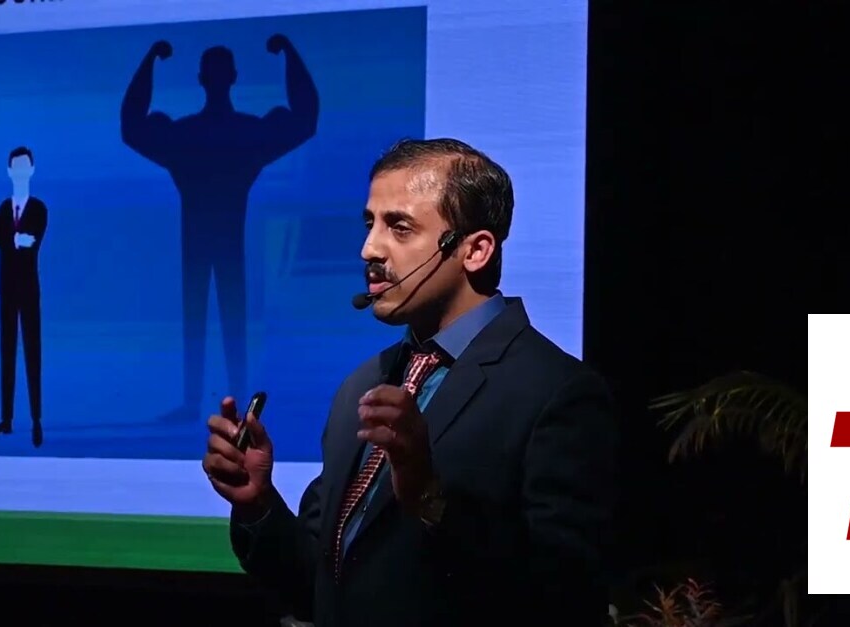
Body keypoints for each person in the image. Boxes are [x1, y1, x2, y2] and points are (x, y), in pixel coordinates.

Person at [202, 138, 619, 626]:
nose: (369, 249)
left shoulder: (557, 393)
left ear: (475, 250)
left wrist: (428, 497)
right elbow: (321, 585)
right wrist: (258, 504)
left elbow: (566, 596)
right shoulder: (362, 385)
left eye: (399, 227)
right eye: (370, 224)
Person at [121, 34, 319, 423]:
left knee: (212, 317)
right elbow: (304, 119)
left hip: (214, 240)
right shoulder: (242, 134)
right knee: (220, 317)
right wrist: (288, 53)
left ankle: (208, 401)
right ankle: (213, 400)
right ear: (232, 77)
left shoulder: (192, 136)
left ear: (203, 78)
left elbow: (133, 125)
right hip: (218, 241)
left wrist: (151, 58)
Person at [0, 146, 46, 448]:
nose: (20, 172)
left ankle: (36, 421)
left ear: (31, 170)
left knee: (33, 354)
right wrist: (15, 239)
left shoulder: (38, 208)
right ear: (10, 172)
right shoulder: (3, 208)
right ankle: (7, 419)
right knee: (7, 353)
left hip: (29, 290)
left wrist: (15, 240)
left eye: (24, 167)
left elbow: (33, 240)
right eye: (15, 167)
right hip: (6, 290)